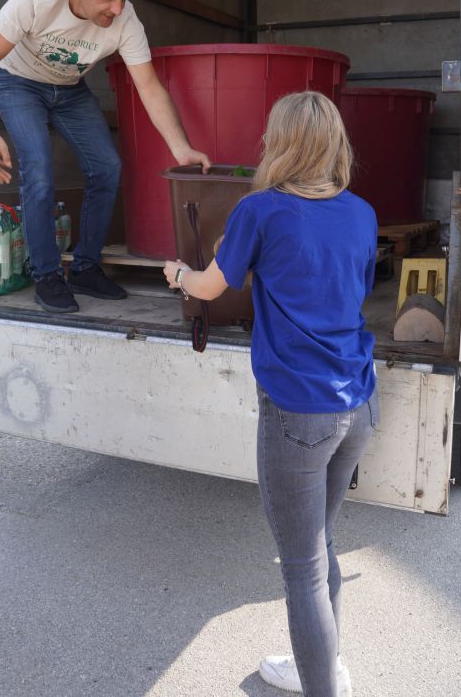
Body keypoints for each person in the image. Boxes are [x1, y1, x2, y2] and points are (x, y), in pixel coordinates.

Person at [164, 91, 379, 697]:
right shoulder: (361, 213)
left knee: (303, 571)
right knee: (322, 545)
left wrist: (177, 274)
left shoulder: (261, 210)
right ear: (335, 143)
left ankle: (322, 685)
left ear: (278, 143)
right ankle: (322, 664)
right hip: (358, 402)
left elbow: (209, 286)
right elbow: (353, 288)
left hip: (298, 411)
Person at [0, 0, 210, 314]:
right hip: (19, 82)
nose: (117, 9)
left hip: (69, 90)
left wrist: (181, 148)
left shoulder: (126, 21)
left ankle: (84, 267)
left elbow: (148, 86)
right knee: (39, 171)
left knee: (108, 167)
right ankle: (47, 275)